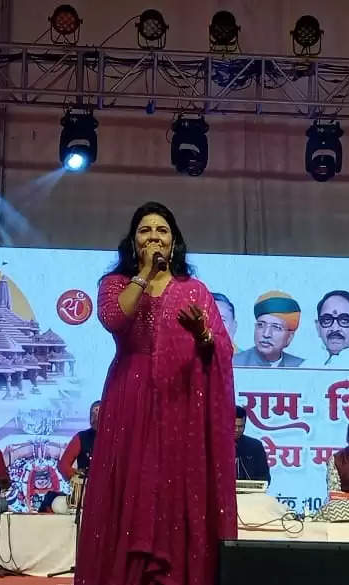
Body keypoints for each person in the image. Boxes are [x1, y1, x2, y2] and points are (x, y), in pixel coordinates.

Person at [76, 202, 236, 585]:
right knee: (130, 483)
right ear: (133, 242)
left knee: (172, 485)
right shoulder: (116, 283)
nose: (154, 237)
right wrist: (145, 274)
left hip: (180, 402)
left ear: (174, 241)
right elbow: (115, 319)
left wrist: (202, 335)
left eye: (161, 231)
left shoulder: (193, 289)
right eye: (145, 231)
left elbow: (220, 348)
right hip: (130, 396)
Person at [233, 291, 305, 367]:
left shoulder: (301, 366)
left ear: (290, 337)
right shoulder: (234, 364)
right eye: (261, 325)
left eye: (276, 327)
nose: (266, 334)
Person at [57, 401, 100, 480]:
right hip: (86, 487)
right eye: (94, 411)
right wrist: (78, 478)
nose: (96, 414)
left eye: (99, 411)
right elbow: (63, 465)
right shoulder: (81, 437)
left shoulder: (116, 439)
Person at [235, 406, 270, 483]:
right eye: (234, 426)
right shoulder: (216, 446)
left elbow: (265, 477)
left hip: (250, 493)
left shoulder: (255, 446)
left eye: (240, 426)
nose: (237, 430)